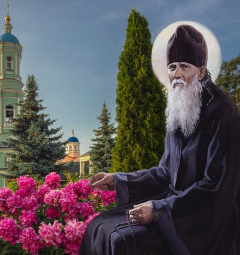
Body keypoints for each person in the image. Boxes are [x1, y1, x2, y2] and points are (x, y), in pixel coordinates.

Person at [79, 24, 240, 255]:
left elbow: (215, 184)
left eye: (185, 66)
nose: (177, 74)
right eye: (172, 67)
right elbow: (165, 173)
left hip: (205, 219)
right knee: (98, 226)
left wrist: (159, 208)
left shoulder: (222, 111)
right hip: (174, 206)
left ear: (202, 71)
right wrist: (118, 179)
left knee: (120, 240)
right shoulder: (180, 108)